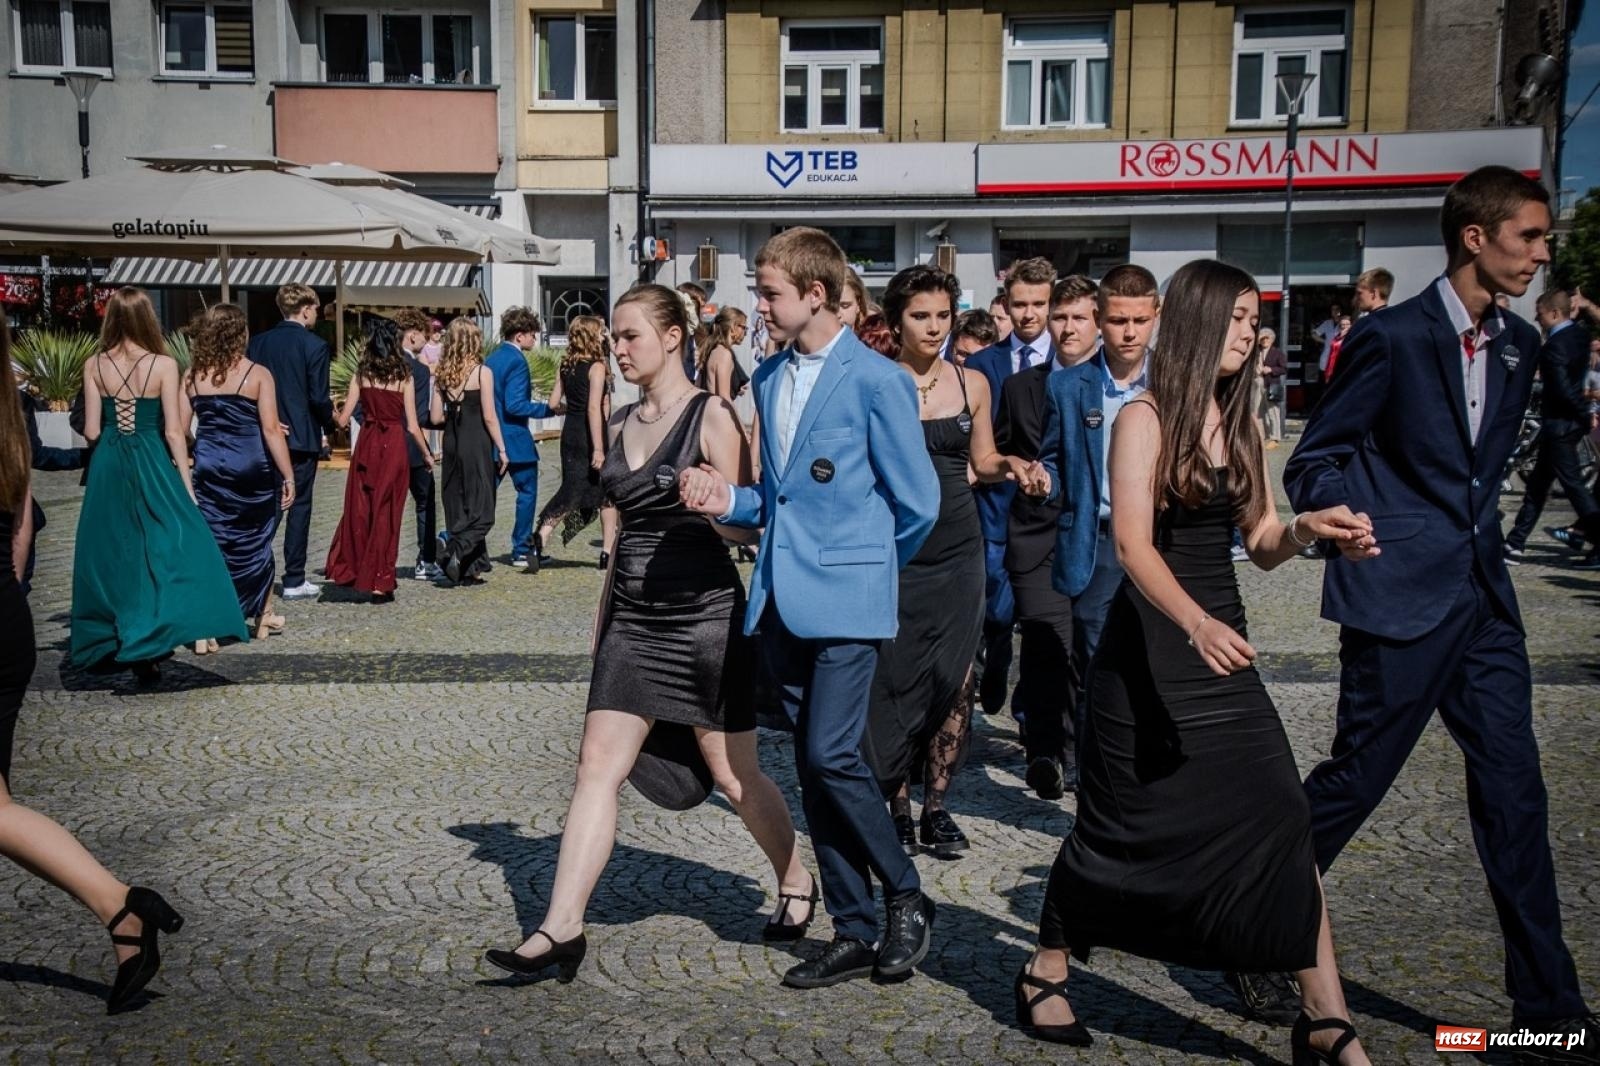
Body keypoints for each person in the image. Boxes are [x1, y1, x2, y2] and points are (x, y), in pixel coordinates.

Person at [1018, 258, 1375, 1065]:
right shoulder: (1142, 417)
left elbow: (1262, 540)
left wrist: (1311, 530)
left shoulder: (1239, 421)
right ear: (1201, 322)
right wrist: (1194, 622)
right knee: (1116, 830)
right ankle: (1045, 969)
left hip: (1222, 649)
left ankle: (1325, 1019)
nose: (1252, 333)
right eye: (1239, 319)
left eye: (1254, 320)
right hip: (1151, 652)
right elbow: (1131, 545)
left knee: (1282, 810)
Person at [1285, 166, 1596, 1056]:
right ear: (1475, 236)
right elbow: (1315, 459)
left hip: (1483, 600)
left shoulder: (1521, 345)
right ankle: (1247, 913)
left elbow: (1482, 477)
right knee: (1355, 782)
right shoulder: (1390, 336)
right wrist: (1340, 517)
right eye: (1530, 237)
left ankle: (1551, 1016)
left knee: (1515, 794)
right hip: (1397, 595)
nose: (1542, 254)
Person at [484, 284, 814, 982]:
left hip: (705, 618)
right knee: (594, 768)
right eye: (615, 337)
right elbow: (618, 529)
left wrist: (715, 503)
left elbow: (750, 521)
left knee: (734, 776)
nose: (619, 348)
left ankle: (794, 876)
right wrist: (603, 621)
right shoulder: (620, 418)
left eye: (631, 335)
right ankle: (560, 928)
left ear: (672, 337)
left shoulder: (712, 415)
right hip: (632, 617)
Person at [678, 226, 942, 990]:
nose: (758, 306)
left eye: (769, 294)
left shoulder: (878, 380)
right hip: (782, 598)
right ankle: (853, 929)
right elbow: (778, 498)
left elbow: (919, 504)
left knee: (830, 755)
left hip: (849, 601)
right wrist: (726, 499)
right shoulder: (767, 377)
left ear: (815, 294)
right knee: (814, 767)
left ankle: (906, 892)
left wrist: (865, 567)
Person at [0, 329, 186, 1014]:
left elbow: (89, 433)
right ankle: (120, 910)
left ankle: (119, 905)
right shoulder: (10, 412)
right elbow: (22, 531)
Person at [860, 265, 1038, 857]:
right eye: (921, 316)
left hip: (960, 546)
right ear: (896, 322)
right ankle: (897, 806)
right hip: (897, 547)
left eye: (943, 315)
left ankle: (937, 807)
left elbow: (982, 459)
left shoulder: (973, 383)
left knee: (955, 676)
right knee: (895, 677)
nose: (934, 327)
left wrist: (1010, 465)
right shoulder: (875, 382)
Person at [69, 287, 249, 682]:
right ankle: (153, 636)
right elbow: (173, 432)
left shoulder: (94, 364)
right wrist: (186, 484)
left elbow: (92, 430)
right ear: (147, 318)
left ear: (111, 319)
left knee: (112, 550)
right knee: (167, 542)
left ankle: (115, 635)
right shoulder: (164, 365)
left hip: (109, 463)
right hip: (151, 458)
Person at [996, 273, 1106, 799]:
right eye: (1059, 317)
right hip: (1037, 535)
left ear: (1097, 322)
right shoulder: (1021, 387)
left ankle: (1082, 754)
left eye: (1078, 317)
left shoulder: (1114, 387)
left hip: (1095, 539)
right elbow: (995, 453)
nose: (1067, 327)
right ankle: (1045, 752)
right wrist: (1021, 471)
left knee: (1087, 652)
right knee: (1045, 644)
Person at [965, 258, 1057, 720]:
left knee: (1041, 618)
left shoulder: (1068, 358)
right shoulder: (982, 363)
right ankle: (997, 656)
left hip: (1050, 510)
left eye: (1038, 304)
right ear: (1006, 303)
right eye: (1020, 304)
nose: (1029, 314)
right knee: (998, 609)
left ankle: (1031, 717)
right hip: (997, 505)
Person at [181, 304, 296, 639]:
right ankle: (263, 615)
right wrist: (289, 475)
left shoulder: (192, 376)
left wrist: (204, 443)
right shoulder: (257, 374)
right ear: (240, 334)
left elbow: (181, 429)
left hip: (209, 465)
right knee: (258, 540)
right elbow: (271, 430)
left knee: (214, 542)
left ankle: (209, 620)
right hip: (251, 464)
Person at [324, 319, 433, 602]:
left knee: (362, 509)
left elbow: (343, 420)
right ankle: (381, 581)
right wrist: (426, 454)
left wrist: (330, 410)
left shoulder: (361, 374)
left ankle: (358, 570)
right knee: (388, 512)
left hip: (368, 444)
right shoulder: (405, 376)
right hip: (394, 445)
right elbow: (412, 426)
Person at [248, 282, 336, 601]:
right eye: (315, 309)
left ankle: (248, 568)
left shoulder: (257, 344)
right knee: (299, 506)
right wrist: (331, 424)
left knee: (268, 505)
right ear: (306, 309)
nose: (317, 315)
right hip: (300, 437)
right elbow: (318, 396)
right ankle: (294, 577)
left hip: (264, 433)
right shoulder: (315, 346)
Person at [1504, 290, 1600, 568]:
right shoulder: (1580, 337)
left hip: (1560, 425)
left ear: (1555, 313)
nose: (1537, 319)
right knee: (1537, 485)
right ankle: (1515, 543)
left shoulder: (1554, 346)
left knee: (1573, 487)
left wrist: (1582, 412)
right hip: (1564, 425)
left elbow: (1561, 389)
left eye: (1541, 314)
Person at [534, 316, 617, 569]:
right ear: (592, 336)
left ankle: (541, 536)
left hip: (570, 431)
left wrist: (568, 409)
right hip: (590, 434)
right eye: (600, 332)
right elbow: (594, 408)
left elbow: (552, 403)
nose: (603, 336)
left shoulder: (566, 364)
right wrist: (599, 448)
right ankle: (607, 552)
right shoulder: (597, 367)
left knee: (571, 487)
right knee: (606, 493)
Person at [431, 319, 507, 584]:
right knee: (483, 508)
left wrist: (455, 411)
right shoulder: (482, 372)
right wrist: (502, 448)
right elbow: (490, 417)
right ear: (474, 341)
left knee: (458, 502)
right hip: (476, 442)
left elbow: (435, 417)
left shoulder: (442, 374)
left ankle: (469, 569)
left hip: (452, 441)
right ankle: (452, 549)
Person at [483, 307, 553, 571]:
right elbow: (515, 405)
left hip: (492, 437)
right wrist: (549, 409)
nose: (535, 339)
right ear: (520, 335)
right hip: (514, 438)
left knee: (484, 495)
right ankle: (521, 548)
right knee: (527, 493)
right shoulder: (517, 361)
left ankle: (454, 538)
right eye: (533, 334)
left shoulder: (492, 358)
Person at [392, 309, 442, 582]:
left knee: (387, 505)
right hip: (412, 445)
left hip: (384, 444)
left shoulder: (379, 364)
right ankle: (426, 560)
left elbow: (360, 410)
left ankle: (381, 560)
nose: (427, 339)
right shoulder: (419, 371)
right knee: (425, 502)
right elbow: (420, 416)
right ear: (412, 335)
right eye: (424, 334)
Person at [698, 306, 752, 402]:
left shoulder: (713, 349)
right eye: (744, 327)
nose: (746, 333)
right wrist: (735, 412)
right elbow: (723, 398)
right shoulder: (725, 354)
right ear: (732, 327)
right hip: (716, 410)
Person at [1258, 326, 1288, 447]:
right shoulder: (1256, 352)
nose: (1264, 340)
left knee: (1273, 412)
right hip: (1257, 385)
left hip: (1271, 384)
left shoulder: (1277, 353)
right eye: (1262, 338)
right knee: (1258, 412)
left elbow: (1284, 369)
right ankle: (1262, 436)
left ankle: (1275, 438)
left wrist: (1271, 369)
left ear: (1272, 339)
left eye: (1267, 338)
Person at [1313, 302, 1344, 379]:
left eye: (1337, 309)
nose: (1335, 311)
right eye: (1333, 309)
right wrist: (1325, 341)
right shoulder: (1327, 323)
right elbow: (1314, 334)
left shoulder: (1345, 322)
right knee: (1325, 381)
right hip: (1326, 357)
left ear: (1340, 310)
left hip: (1340, 356)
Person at [1322, 314, 1354, 380]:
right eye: (1343, 324)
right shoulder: (1337, 337)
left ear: (1351, 325)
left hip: (1345, 368)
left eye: (1347, 324)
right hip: (1332, 367)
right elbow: (1332, 354)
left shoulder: (1353, 337)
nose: (1345, 326)